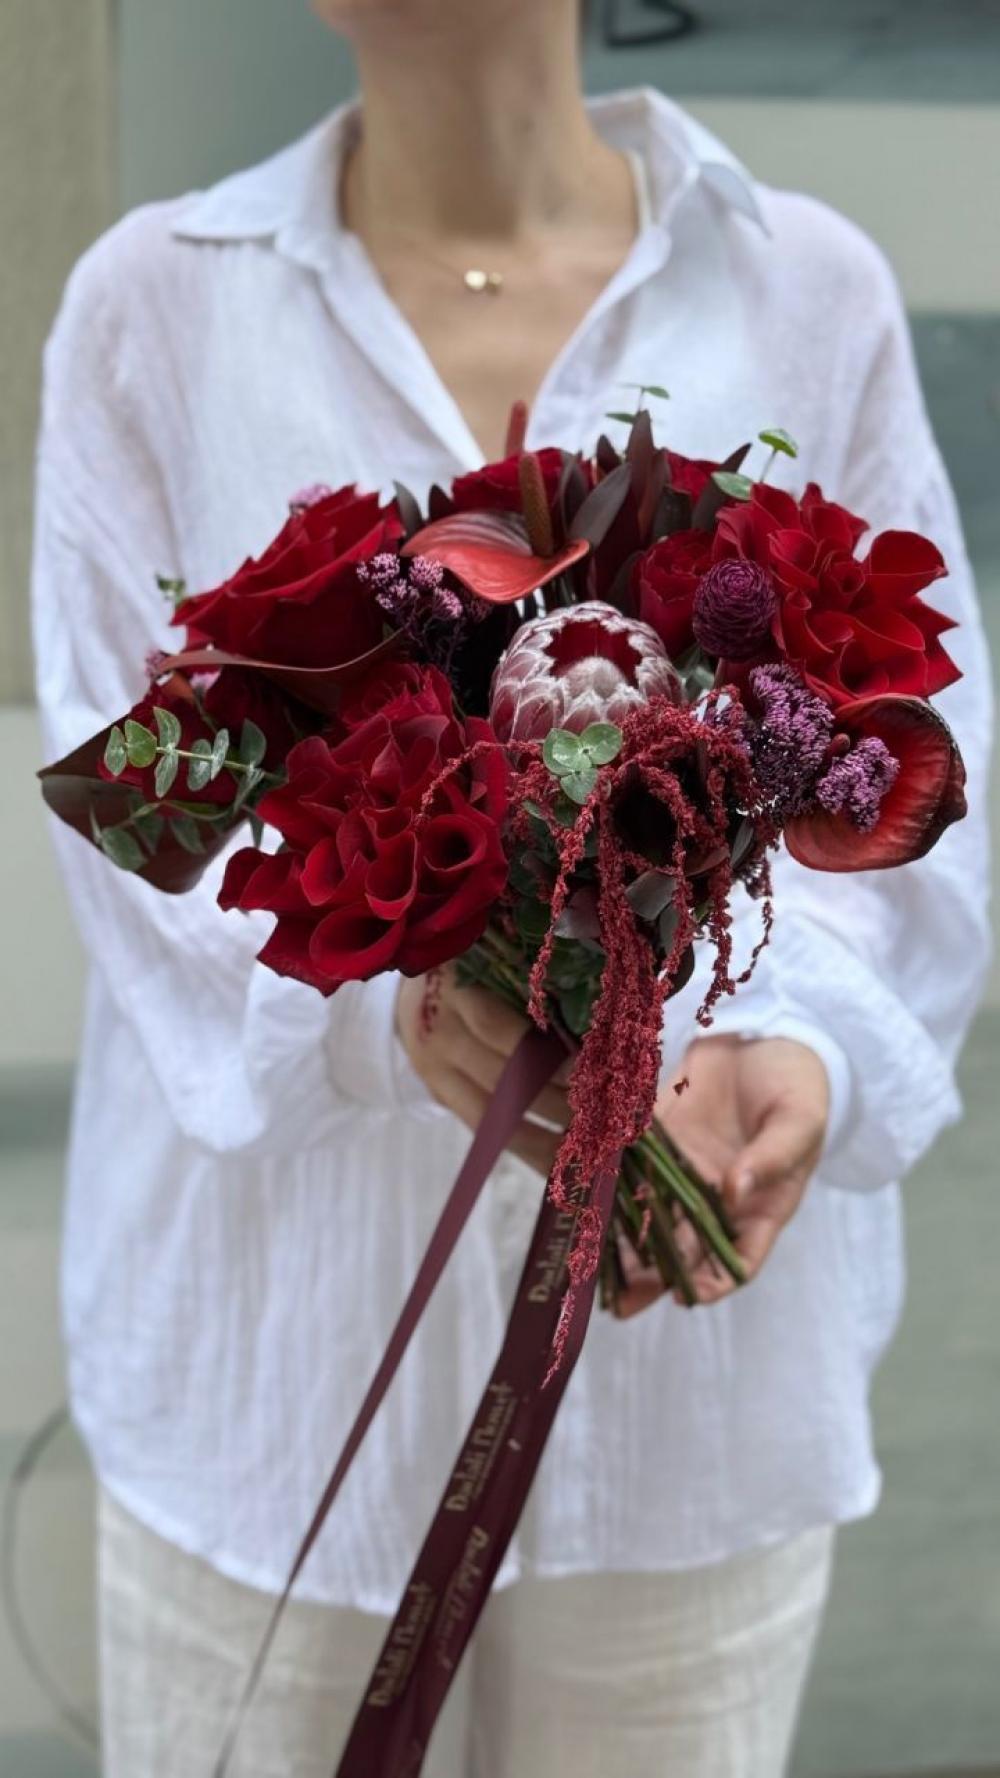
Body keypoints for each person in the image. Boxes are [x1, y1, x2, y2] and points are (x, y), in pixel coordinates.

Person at [31, 1, 992, 1774]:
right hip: (277, 1398)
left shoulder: (806, 289)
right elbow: (142, 839)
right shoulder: (153, 308)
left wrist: (794, 1034)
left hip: (690, 1417)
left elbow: (920, 773)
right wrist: (380, 1020)